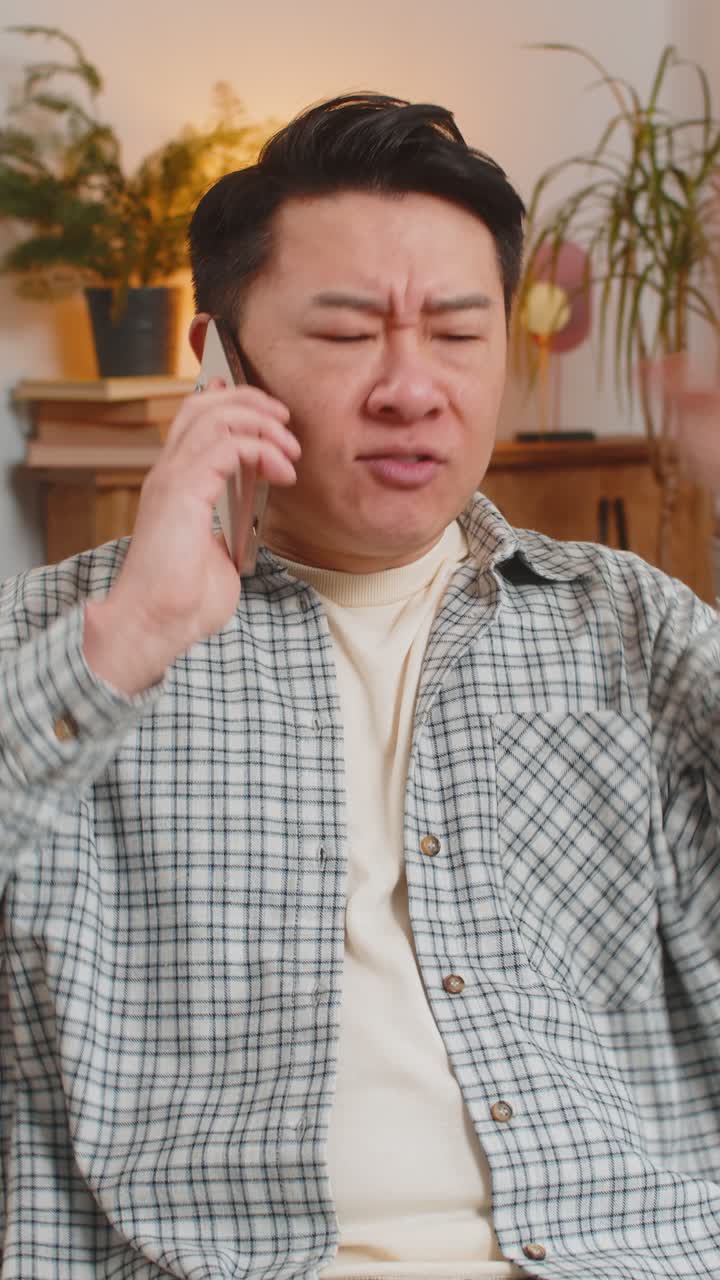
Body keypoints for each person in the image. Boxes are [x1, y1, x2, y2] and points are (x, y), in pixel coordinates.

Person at [1, 92, 718, 1280]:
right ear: (218, 364)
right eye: (343, 335)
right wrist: (135, 632)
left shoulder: (624, 623)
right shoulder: (65, 637)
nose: (410, 387)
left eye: (455, 331)